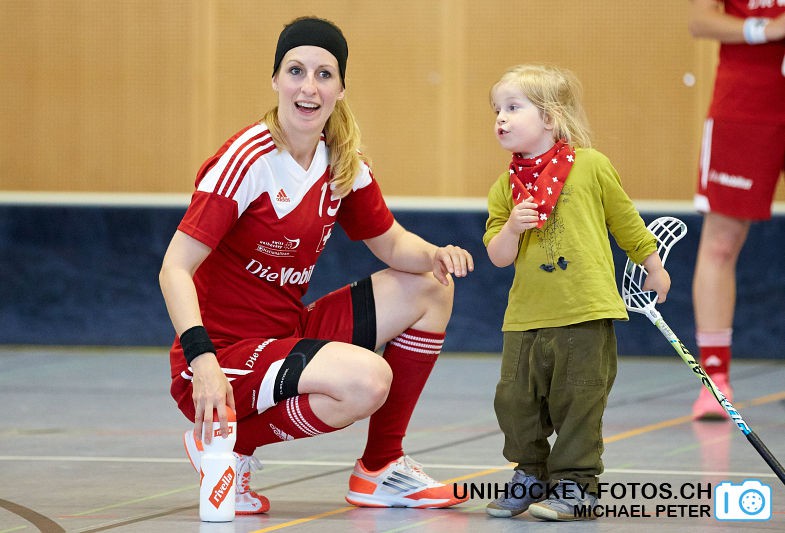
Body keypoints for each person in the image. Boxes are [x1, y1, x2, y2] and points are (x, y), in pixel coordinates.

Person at [158, 16, 474, 514]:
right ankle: (227, 445)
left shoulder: (341, 160)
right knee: (366, 381)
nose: (309, 87)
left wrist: (434, 254)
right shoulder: (246, 161)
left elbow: (391, 244)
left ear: (342, 88)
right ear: (275, 81)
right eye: (296, 71)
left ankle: (380, 469)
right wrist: (204, 364)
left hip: (288, 331)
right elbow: (174, 268)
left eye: (324, 74)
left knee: (432, 287)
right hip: (225, 355)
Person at [482, 64, 671, 521]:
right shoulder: (506, 186)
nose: (500, 119)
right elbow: (497, 254)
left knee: (579, 400)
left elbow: (625, 221)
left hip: (584, 311)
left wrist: (653, 263)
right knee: (513, 401)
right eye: (496, 110)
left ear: (550, 118)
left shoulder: (591, 165)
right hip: (526, 318)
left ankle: (575, 484)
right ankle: (530, 471)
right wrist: (511, 227)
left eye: (513, 107)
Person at [688, 0, 785, 420]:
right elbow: (700, 19)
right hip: (746, 104)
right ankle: (715, 380)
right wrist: (765, 29)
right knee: (722, 243)